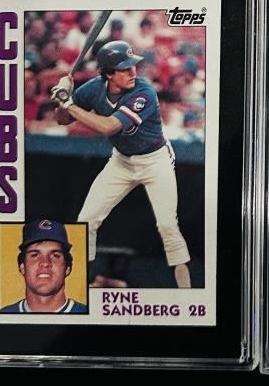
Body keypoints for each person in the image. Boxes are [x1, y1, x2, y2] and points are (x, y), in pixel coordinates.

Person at [51, 39, 192, 288]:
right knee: (86, 220)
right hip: (122, 161)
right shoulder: (94, 89)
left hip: (155, 160)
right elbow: (62, 119)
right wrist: (62, 98)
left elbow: (108, 127)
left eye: (133, 66)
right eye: (124, 68)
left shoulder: (144, 92)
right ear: (108, 74)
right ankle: (79, 285)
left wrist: (70, 103)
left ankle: (186, 290)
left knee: (167, 225)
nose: (132, 72)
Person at [0, 219, 87, 314]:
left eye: (55, 255)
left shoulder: (88, 315)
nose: (45, 263)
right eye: (35, 255)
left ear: (67, 268)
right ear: (22, 267)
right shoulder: (4, 315)